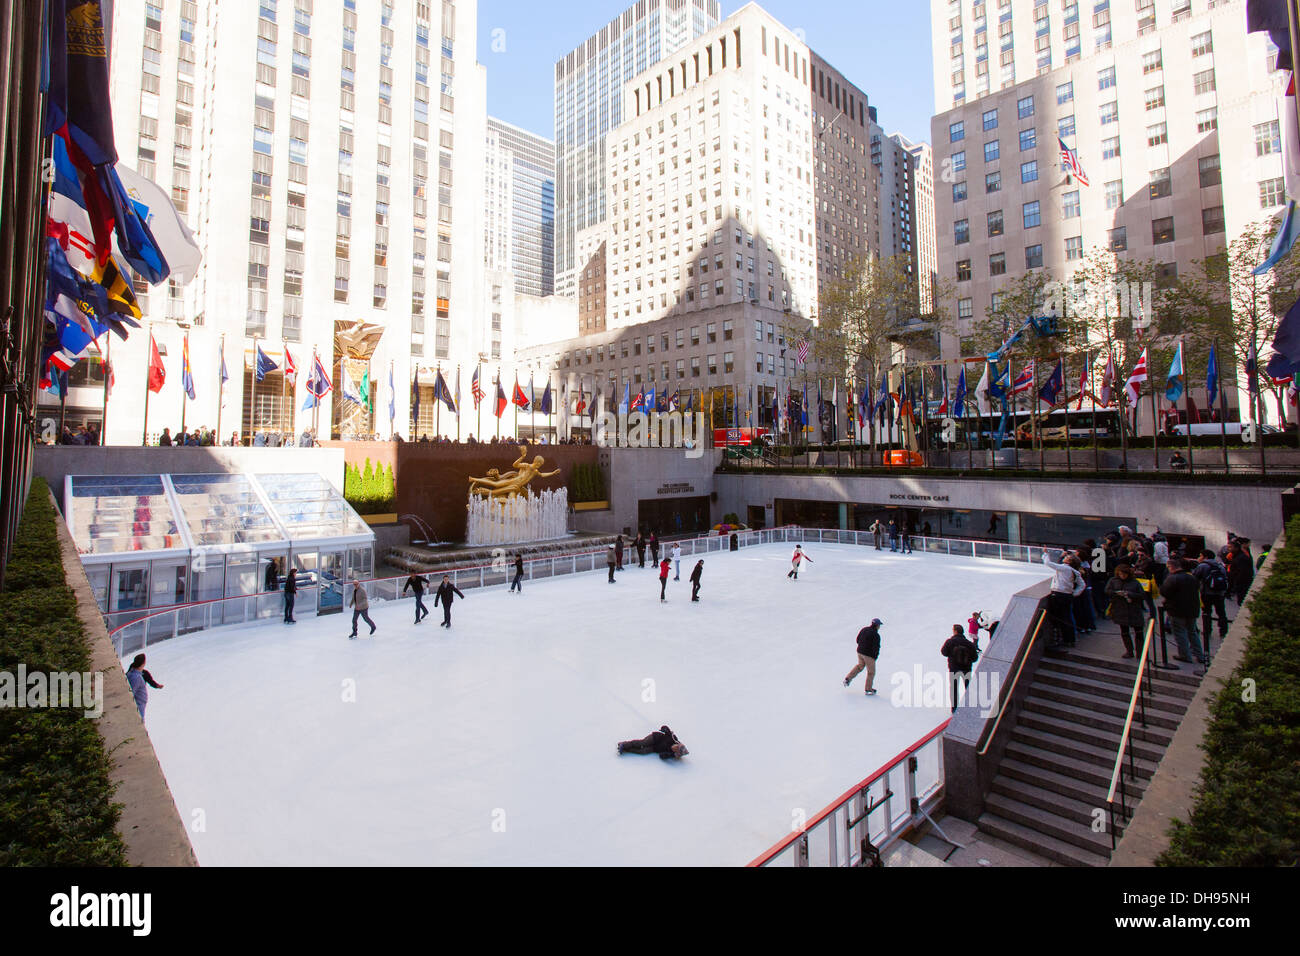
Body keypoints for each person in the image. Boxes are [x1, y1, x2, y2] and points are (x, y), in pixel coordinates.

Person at [1160, 558, 1208, 667]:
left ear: (1171, 567)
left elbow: (1164, 591)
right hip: (1192, 609)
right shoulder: (1191, 577)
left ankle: (1185, 655)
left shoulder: (1172, 578)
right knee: (1192, 631)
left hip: (1177, 609)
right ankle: (1199, 654)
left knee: (1180, 632)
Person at [1043, 551, 1085, 648]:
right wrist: (1074, 594)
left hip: (1058, 595)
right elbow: (1082, 585)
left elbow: (1048, 563)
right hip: (1067, 595)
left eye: (1067, 557)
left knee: (1057, 618)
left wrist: (1045, 554)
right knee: (1066, 617)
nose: (1065, 557)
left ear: (1069, 561)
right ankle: (1069, 639)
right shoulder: (1075, 572)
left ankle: (1057, 639)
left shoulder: (1064, 568)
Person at [1104, 564, 1146, 659]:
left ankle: (1140, 652)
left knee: (1138, 632)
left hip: (1133, 609)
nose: (1122, 576)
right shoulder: (1113, 581)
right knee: (1124, 631)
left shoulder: (1135, 582)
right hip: (1120, 608)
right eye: (1120, 574)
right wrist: (1116, 593)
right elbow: (1107, 591)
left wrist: (1129, 594)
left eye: (1124, 574)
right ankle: (1129, 651)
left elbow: (1142, 595)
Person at [1192, 549, 1230, 649]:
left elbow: (1195, 578)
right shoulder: (1220, 565)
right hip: (1220, 593)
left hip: (1207, 593)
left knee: (1206, 612)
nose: (1198, 558)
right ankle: (1223, 630)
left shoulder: (1202, 566)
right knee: (1221, 612)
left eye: (1200, 555)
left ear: (1205, 557)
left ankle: (1207, 630)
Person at [941, 624, 981, 713]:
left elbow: (943, 652)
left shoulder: (950, 642)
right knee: (968, 687)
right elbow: (975, 658)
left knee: (954, 688)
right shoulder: (969, 644)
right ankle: (970, 705)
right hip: (966, 669)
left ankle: (954, 708)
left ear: (955, 631)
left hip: (954, 669)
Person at [844, 619, 883, 696]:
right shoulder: (876, 635)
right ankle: (868, 689)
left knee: (860, 666)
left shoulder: (864, 629)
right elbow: (876, 648)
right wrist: (874, 657)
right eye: (879, 625)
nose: (879, 627)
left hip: (860, 652)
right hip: (869, 656)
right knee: (871, 672)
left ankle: (847, 679)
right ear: (877, 625)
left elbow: (857, 640)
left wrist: (862, 647)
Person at [617, 725, 688, 760]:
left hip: (654, 748)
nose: (674, 748)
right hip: (655, 738)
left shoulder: (671, 753)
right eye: (676, 747)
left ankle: (625, 749)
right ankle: (624, 744)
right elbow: (667, 729)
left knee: (643, 751)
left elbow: (662, 756)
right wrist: (665, 729)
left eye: (675, 750)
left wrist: (671, 755)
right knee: (642, 743)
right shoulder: (674, 739)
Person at [126, 654, 163, 720]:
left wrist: (157, 685)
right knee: (139, 720)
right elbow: (131, 693)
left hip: (140, 703)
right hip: (138, 704)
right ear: (143, 663)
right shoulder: (137, 677)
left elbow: (150, 680)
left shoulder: (139, 672)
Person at [1226, 540, 1254, 605]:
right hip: (1239, 582)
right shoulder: (1236, 556)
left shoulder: (1241, 557)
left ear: (1236, 548)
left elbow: (1243, 572)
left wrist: (1236, 580)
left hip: (1242, 583)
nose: (1228, 549)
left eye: (1230, 547)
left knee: (1242, 600)